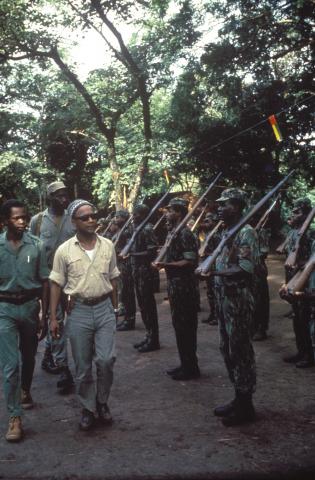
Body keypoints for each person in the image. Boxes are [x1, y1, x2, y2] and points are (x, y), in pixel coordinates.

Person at [49, 200, 120, 431]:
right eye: (84, 217)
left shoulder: (108, 245)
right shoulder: (64, 250)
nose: (91, 220)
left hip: (104, 309)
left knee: (106, 360)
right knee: (82, 366)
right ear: (73, 222)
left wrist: (115, 308)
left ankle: (102, 402)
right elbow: (56, 284)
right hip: (78, 311)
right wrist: (52, 318)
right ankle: (88, 408)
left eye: (93, 215)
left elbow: (113, 278)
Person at [0, 200, 49, 442]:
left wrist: (46, 314)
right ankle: (15, 418)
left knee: (29, 357)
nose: (22, 221)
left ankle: (26, 390)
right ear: (5, 221)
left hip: (30, 308)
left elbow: (45, 281)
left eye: (24, 217)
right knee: (10, 366)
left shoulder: (37, 245)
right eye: (16, 218)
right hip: (4, 308)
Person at [210, 188, 259, 426]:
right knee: (226, 348)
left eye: (224, 204)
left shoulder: (246, 232)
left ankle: (246, 404)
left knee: (240, 350)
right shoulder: (226, 230)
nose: (219, 207)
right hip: (224, 299)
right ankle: (238, 397)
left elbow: (245, 269)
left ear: (237, 207)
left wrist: (214, 272)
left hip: (237, 300)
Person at [30, 181, 75, 392]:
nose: (64, 199)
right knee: (55, 319)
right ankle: (63, 367)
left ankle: (49, 354)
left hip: (73, 279)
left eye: (65, 195)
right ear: (50, 198)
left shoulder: (73, 218)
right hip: (49, 282)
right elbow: (30, 251)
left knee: (70, 319)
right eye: (59, 196)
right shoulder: (37, 221)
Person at [154, 198, 200, 380]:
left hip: (184, 287)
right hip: (175, 286)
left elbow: (190, 261)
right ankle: (185, 364)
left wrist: (165, 264)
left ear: (179, 212)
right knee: (179, 327)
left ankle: (191, 367)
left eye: (170, 210)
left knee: (186, 327)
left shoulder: (185, 234)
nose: (167, 213)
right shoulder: (173, 232)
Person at [281, 198, 314, 368]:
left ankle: (309, 355)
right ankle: (300, 351)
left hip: (304, 280)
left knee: (304, 318)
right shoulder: (294, 232)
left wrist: (299, 265)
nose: (293, 214)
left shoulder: (309, 234)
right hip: (292, 277)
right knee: (296, 318)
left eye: (298, 212)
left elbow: (310, 261)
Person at [126, 204, 160, 353]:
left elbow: (152, 251)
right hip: (137, 272)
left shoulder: (147, 229)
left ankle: (154, 339)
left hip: (145, 272)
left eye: (136, 214)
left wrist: (133, 255)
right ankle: (149, 335)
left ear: (142, 215)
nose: (133, 216)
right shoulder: (136, 228)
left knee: (148, 306)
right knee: (143, 305)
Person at [113, 210, 136, 332]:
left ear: (124, 218)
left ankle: (129, 320)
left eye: (118, 217)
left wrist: (124, 255)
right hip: (120, 265)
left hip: (126, 265)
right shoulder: (121, 230)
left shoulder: (128, 231)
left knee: (127, 293)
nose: (115, 219)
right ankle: (127, 318)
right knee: (124, 293)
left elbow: (129, 247)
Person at [198, 212, 221, 326]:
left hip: (214, 265)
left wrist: (206, 253)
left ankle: (217, 316)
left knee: (215, 292)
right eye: (205, 220)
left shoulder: (217, 235)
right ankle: (212, 314)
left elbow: (219, 252)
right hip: (207, 263)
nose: (205, 223)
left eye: (208, 221)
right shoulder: (207, 233)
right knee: (210, 292)